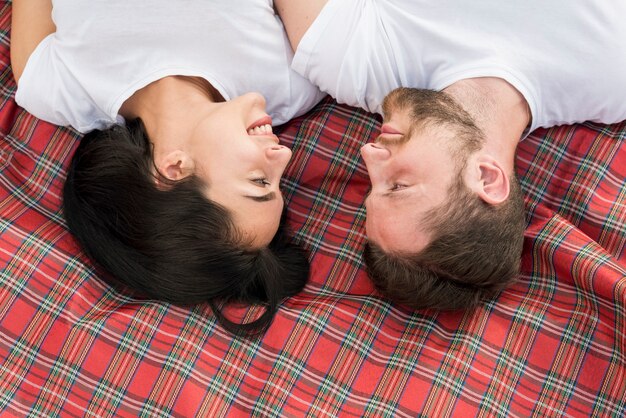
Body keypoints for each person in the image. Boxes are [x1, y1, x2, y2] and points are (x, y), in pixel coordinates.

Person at [275, 0, 626, 309]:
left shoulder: (355, 63)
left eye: (372, 186)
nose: (368, 153)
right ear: (487, 177)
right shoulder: (612, 74)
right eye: (398, 186)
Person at [11, 0, 325, 336]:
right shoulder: (294, 80)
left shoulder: (54, 86)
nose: (283, 155)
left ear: (174, 168)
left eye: (261, 180)